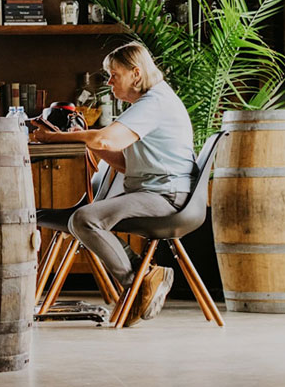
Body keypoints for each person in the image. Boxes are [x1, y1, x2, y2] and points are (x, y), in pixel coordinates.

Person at [31, 42, 195, 327]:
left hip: (167, 196)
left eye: (113, 75)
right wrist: (87, 138)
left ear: (135, 73)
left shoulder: (153, 102)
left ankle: (140, 280)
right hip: (157, 191)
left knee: (85, 218)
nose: (108, 83)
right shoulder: (151, 102)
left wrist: (53, 138)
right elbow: (123, 163)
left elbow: (105, 139)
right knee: (83, 219)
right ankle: (144, 281)